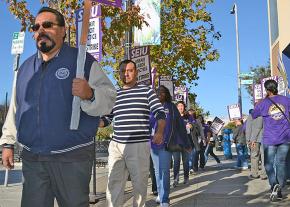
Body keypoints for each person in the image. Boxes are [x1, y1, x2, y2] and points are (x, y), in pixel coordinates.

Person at [0, 7, 116, 207]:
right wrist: (7, 143)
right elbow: (16, 110)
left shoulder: (82, 61)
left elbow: (110, 99)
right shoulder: (24, 69)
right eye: (36, 27)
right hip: (33, 158)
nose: (40, 30)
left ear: (63, 31)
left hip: (72, 157)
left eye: (47, 25)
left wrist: (90, 93)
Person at [100, 60, 166, 207]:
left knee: (139, 185)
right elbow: (107, 119)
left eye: (129, 70)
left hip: (138, 146)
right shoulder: (114, 94)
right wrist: (93, 123)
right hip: (116, 145)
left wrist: (160, 132)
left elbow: (160, 113)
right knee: (113, 184)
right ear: (119, 74)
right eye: (123, 71)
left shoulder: (147, 91)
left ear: (136, 72)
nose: (126, 74)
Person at [150, 85, 190, 207]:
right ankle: (160, 193)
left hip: (167, 144)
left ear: (167, 94)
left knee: (165, 171)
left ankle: (165, 199)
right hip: (152, 144)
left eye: (162, 92)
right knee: (157, 172)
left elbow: (180, 126)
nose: (159, 94)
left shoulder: (172, 107)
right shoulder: (150, 106)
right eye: (157, 92)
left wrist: (186, 143)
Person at [252, 79, 290, 202]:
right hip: (285, 137)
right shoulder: (286, 100)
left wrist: (260, 102)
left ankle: (274, 185)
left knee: (268, 164)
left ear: (267, 89)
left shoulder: (263, 103)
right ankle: (279, 188)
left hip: (269, 139)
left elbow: (254, 114)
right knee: (281, 163)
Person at [172, 101, 192, 187]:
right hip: (176, 142)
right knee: (176, 161)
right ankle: (176, 179)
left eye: (182, 106)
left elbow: (192, 125)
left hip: (186, 142)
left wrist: (190, 126)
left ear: (184, 107)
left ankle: (186, 178)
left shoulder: (188, 116)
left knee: (186, 161)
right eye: (179, 106)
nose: (181, 107)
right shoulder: (173, 116)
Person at [245, 109, 267, 180]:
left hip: (253, 139)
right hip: (265, 138)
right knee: (264, 157)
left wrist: (248, 140)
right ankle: (264, 174)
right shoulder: (265, 114)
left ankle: (254, 174)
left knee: (254, 156)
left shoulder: (251, 115)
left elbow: (248, 128)